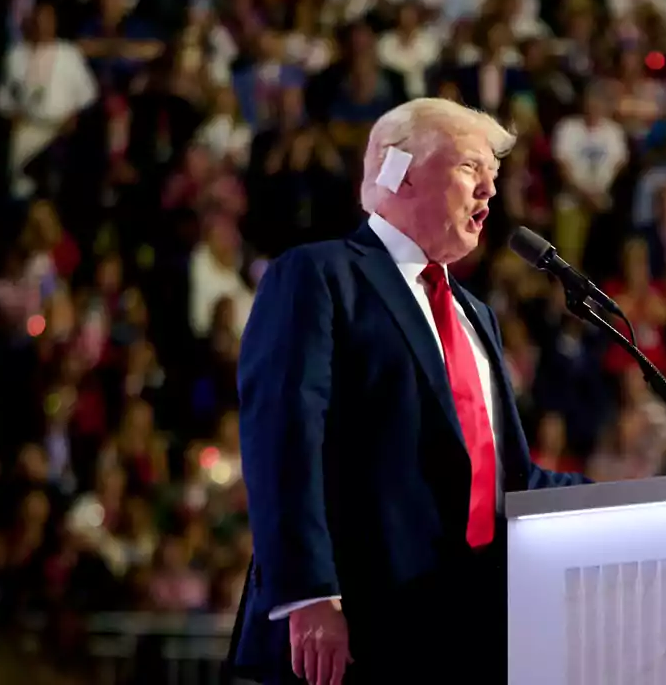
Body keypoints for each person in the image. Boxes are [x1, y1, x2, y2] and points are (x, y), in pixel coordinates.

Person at [228, 98, 589, 685]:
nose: (489, 194)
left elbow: (507, 477)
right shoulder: (320, 276)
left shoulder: (475, 314)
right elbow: (283, 438)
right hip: (353, 633)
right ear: (402, 170)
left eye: (493, 179)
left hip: (461, 629)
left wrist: (634, 502)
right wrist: (309, 594)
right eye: (472, 169)